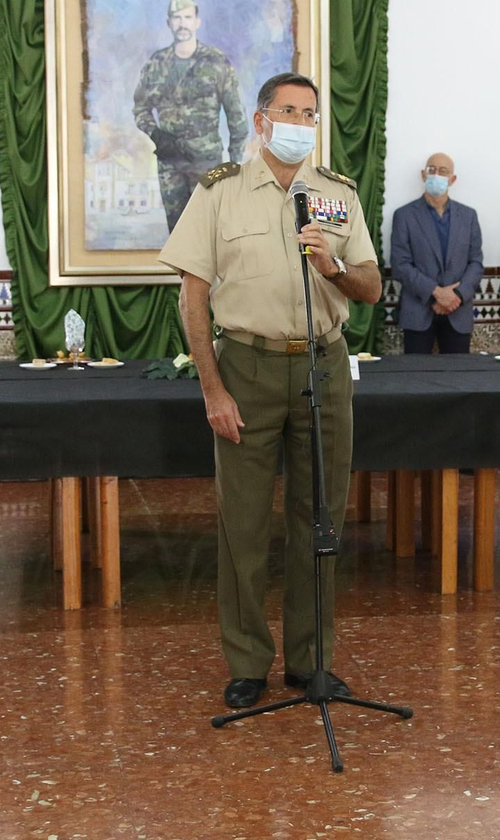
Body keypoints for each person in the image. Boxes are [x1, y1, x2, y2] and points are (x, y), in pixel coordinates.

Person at [159, 72, 381, 709]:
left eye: (309, 114)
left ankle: (312, 662)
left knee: (321, 518)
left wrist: (331, 266)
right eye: (288, 111)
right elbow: (193, 296)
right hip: (247, 367)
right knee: (245, 522)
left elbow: (369, 284)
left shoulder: (335, 195)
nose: (299, 123)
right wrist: (212, 390)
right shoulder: (221, 193)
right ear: (261, 121)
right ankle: (249, 661)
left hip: (323, 364)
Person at [132, 0, 248, 231]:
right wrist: (155, 134)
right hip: (170, 163)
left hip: (206, 162)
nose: (182, 23)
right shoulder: (156, 64)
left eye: (187, 17)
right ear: (168, 23)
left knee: (208, 233)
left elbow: (236, 115)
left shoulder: (216, 62)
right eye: (176, 18)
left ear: (197, 22)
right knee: (177, 235)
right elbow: (140, 108)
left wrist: (235, 162)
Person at [388, 153, 484, 353]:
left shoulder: (468, 216)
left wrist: (455, 295)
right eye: (431, 170)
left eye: (443, 171)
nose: (436, 175)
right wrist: (437, 293)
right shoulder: (404, 216)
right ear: (423, 175)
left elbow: (476, 263)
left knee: (459, 379)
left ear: (452, 179)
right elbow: (400, 265)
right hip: (418, 312)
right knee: (416, 379)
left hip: (458, 311)